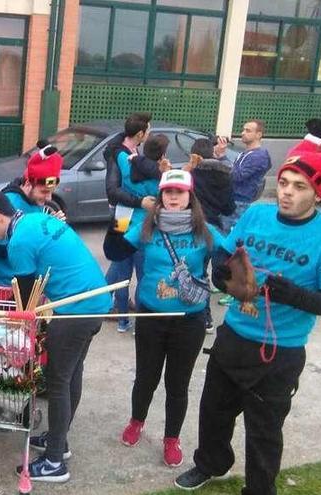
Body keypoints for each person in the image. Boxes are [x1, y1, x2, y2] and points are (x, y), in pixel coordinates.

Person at [175, 152, 321, 493]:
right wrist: (223, 271)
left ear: (319, 192)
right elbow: (224, 252)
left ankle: (259, 488)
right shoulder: (256, 214)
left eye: (299, 187)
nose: (286, 192)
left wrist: (290, 294)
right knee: (213, 412)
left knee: (264, 430)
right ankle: (210, 463)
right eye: (284, 183)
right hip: (235, 335)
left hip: (278, 351)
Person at [0, 189, 112, 483]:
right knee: (71, 374)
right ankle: (60, 441)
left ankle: (54, 462)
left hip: (76, 309)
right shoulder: (34, 220)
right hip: (95, 300)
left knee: (58, 380)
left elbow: (24, 300)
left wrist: (6, 321)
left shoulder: (18, 240)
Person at [104, 169, 225, 468]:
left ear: (189, 197)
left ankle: (172, 438)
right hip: (151, 315)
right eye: (167, 192)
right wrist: (117, 222)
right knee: (146, 377)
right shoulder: (147, 227)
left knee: (177, 383)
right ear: (160, 197)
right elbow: (115, 252)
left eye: (179, 192)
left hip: (189, 320)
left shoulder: (204, 231)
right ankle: (136, 421)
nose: (172, 197)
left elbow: (232, 257)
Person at [0, 140, 66, 286]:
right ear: (28, 184)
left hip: (27, 281)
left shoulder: (35, 201)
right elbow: (0, 251)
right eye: (44, 192)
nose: (49, 198)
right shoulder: (7, 204)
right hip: (3, 285)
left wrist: (50, 227)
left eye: (51, 192)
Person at [104, 112, 155, 333]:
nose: (150, 134)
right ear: (141, 134)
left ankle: (108, 300)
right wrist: (140, 201)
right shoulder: (120, 155)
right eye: (149, 130)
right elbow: (112, 191)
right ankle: (115, 307)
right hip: (123, 215)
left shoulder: (133, 151)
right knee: (123, 263)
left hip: (126, 215)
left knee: (120, 263)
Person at [187, 138, 235, 332]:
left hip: (194, 226)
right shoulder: (226, 175)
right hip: (214, 226)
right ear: (213, 153)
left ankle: (199, 313)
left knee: (194, 270)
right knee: (206, 271)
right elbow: (230, 207)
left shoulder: (191, 174)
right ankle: (206, 319)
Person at [215, 119, 272, 234]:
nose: (243, 133)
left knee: (227, 237)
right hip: (231, 200)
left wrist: (222, 156)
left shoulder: (258, 156)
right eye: (243, 130)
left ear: (259, 135)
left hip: (239, 202)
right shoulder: (244, 153)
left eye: (248, 131)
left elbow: (237, 176)